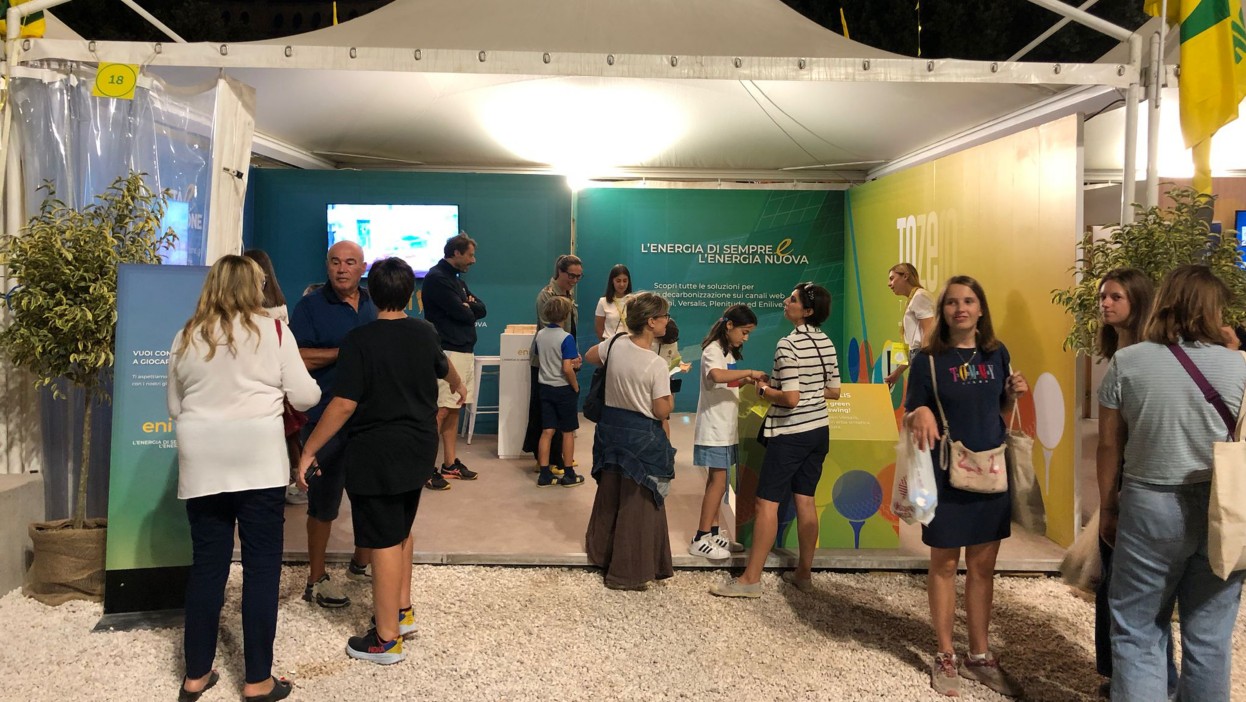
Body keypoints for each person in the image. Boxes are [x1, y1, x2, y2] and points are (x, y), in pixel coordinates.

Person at [296, 257, 464, 665]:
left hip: (378, 451)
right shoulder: (425, 332)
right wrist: (458, 389)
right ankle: (402, 612)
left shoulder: (360, 340)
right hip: (419, 446)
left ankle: (387, 639)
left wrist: (309, 449)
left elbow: (343, 403)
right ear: (411, 294)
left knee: (384, 540)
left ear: (372, 292)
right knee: (401, 529)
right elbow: (448, 370)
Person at [168, 255, 319, 702]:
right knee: (261, 569)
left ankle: (196, 676)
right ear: (253, 288)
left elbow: (174, 406)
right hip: (258, 462)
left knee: (207, 566)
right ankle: (257, 681)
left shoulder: (186, 334)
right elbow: (305, 397)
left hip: (202, 462)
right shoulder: (275, 332)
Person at [1099, 265, 1246, 702]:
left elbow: (1108, 445)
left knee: (1138, 629)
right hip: (1224, 506)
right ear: (1212, 309)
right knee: (1210, 636)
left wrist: (1107, 507)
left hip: (1149, 504)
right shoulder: (1239, 366)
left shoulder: (1129, 361)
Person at [903, 275, 1029, 698]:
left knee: (982, 567)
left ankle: (979, 654)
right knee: (943, 563)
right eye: (953, 302)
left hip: (990, 471)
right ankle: (945, 653)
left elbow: (1000, 412)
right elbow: (910, 410)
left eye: (969, 301)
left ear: (981, 309)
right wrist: (920, 412)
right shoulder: (928, 359)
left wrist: (1013, 395)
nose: (961, 308)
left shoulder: (997, 353)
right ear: (942, 310)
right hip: (945, 473)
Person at [711, 283, 840, 599]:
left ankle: (750, 580)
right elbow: (833, 391)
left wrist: (764, 391)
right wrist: (806, 394)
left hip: (790, 434)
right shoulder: (826, 342)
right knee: (805, 500)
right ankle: (804, 574)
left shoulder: (788, 344)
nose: (786, 300)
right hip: (818, 430)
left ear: (807, 310)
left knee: (766, 503)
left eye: (793, 299)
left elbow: (791, 399)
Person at [1093, 267, 1169, 698]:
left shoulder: (1147, 356)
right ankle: (1120, 673)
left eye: (1115, 297)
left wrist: (1110, 500)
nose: (1105, 303)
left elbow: (1111, 440)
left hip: (1136, 475)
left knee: (1128, 588)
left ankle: (1137, 678)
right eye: (1103, 296)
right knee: (1113, 579)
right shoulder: (1119, 352)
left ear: (1138, 301)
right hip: (1121, 474)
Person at [289, 240, 378, 608]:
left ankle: (361, 564)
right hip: (324, 419)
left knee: (371, 499)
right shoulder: (310, 306)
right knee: (323, 505)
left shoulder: (375, 304)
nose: (342, 269)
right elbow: (297, 357)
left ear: (363, 267)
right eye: (336, 262)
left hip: (370, 422)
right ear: (327, 266)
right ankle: (316, 578)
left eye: (350, 262)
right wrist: (346, 353)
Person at [584, 291, 676, 590]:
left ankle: (602, 555)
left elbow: (589, 356)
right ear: (651, 322)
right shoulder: (656, 364)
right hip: (642, 437)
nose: (667, 321)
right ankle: (628, 572)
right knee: (639, 505)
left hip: (610, 431)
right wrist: (670, 400)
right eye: (664, 316)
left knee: (610, 495)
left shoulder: (615, 344)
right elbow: (661, 410)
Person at [688, 304, 764, 560]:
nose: (746, 338)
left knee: (719, 483)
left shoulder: (726, 351)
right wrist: (750, 372)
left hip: (726, 428)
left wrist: (744, 381)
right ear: (729, 325)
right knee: (718, 483)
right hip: (714, 428)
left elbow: (726, 381)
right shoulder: (712, 349)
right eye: (744, 332)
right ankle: (700, 537)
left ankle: (712, 531)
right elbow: (716, 376)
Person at [421, 231, 487, 490]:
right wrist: (466, 306)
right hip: (447, 352)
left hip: (463, 350)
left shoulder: (455, 281)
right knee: (441, 410)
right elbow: (464, 315)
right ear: (456, 253)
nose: (474, 260)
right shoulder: (437, 278)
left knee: (455, 408)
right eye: (470, 255)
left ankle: (449, 465)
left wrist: (468, 305)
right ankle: (425, 469)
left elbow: (481, 309)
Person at [243, 248, 305, 506]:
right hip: (278, 380)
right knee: (288, 435)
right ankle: (295, 480)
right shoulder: (280, 304)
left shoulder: (248, 311)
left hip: (256, 382)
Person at [524, 254, 584, 474]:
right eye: (571, 276)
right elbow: (550, 331)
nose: (574, 280)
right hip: (549, 364)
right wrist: (568, 363)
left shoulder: (569, 294)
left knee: (561, 416)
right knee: (544, 414)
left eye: (579, 276)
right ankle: (546, 460)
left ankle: (559, 457)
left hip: (566, 359)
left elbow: (571, 330)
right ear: (560, 272)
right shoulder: (547, 295)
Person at [534, 295, 585, 488]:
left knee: (547, 430)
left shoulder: (540, 335)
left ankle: (544, 474)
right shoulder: (566, 338)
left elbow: (542, 356)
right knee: (567, 431)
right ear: (566, 315)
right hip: (563, 389)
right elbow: (566, 368)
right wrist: (575, 385)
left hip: (545, 387)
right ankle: (569, 473)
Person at [884, 263, 936, 388]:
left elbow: (928, 332)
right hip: (918, 358)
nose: (889, 284)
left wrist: (925, 366)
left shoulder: (920, 296)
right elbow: (914, 347)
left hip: (923, 359)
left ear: (905, 276)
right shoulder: (913, 299)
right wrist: (898, 372)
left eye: (892, 278)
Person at [594, 263, 632, 340]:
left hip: (630, 343)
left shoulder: (633, 301)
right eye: (618, 281)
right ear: (612, 281)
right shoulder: (603, 302)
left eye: (625, 281)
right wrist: (606, 345)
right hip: (610, 344)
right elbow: (599, 329)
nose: (622, 284)